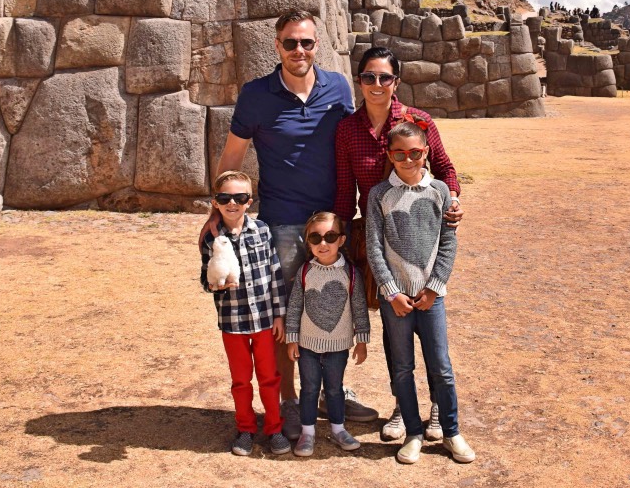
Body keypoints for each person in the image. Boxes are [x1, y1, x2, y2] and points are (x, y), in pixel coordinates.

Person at [204, 9, 377, 439]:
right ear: (276, 45)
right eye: (290, 42)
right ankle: (290, 398)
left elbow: (359, 140)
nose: (299, 50)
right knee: (283, 313)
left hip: (330, 220)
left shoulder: (338, 87)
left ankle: (329, 391)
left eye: (307, 42)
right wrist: (217, 212)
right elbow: (232, 157)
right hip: (279, 223)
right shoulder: (256, 95)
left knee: (331, 306)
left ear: (317, 45)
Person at [334, 46, 462, 442]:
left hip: (422, 238)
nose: (376, 84)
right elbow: (344, 188)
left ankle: (440, 409)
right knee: (395, 328)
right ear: (359, 80)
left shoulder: (418, 122)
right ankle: (401, 407)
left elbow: (445, 169)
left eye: (384, 77)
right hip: (379, 243)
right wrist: (337, 237)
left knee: (430, 324)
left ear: (396, 81)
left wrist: (453, 200)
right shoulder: (347, 130)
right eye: (369, 76)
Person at [367, 121, 474, 464]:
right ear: (390, 155)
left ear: (426, 152)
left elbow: (448, 243)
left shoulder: (440, 192)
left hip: (431, 298)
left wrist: (434, 288)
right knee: (401, 367)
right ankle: (413, 432)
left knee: (440, 366)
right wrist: (391, 292)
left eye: (415, 153)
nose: (408, 160)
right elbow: (374, 248)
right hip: (395, 299)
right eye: (400, 154)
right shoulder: (379, 195)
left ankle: (451, 432)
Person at [200, 170, 292, 457]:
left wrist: (279, 315)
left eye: (239, 198)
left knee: (269, 377)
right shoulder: (211, 238)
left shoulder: (262, 230)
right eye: (225, 198)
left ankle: (274, 428)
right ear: (215, 202)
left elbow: (275, 274)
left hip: (264, 319)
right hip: (232, 321)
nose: (232, 203)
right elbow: (206, 278)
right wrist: (215, 286)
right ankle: (245, 429)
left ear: (249, 201)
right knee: (241, 380)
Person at [285, 211, 370, 457]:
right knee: (309, 389)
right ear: (308, 242)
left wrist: (362, 341)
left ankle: (338, 428)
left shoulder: (350, 274)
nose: (323, 244)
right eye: (315, 238)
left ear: (341, 240)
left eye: (330, 237)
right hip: (307, 345)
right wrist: (292, 338)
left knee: (334, 389)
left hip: (338, 346)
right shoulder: (304, 272)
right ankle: (307, 432)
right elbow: (294, 308)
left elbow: (359, 310)